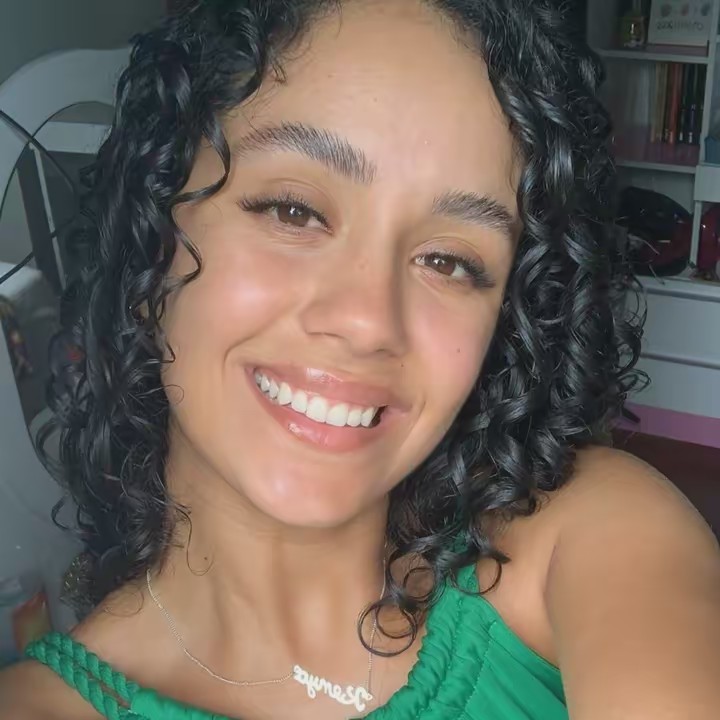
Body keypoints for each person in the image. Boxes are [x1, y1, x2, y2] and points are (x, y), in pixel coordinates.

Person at [2, 0, 719, 718]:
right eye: (293, 211)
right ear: (150, 247)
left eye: (448, 261)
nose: (368, 320)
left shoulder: (591, 537)